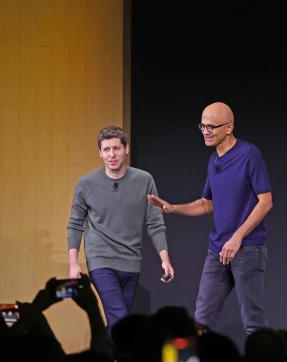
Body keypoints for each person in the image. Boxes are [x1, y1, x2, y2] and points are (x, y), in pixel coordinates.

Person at [147, 102, 273, 334]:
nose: (205, 131)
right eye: (202, 126)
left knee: (253, 322)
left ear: (229, 127)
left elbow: (265, 201)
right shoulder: (214, 160)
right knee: (202, 320)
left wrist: (237, 238)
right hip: (217, 250)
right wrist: (172, 207)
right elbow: (206, 204)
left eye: (211, 126)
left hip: (247, 249)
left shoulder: (249, 155)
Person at [67, 125, 175, 329]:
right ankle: (126, 360)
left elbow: (155, 222)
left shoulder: (144, 180)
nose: (111, 154)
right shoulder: (86, 184)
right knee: (120, 317)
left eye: (116, 148)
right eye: (106, 149)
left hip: (131, 261)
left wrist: (165, 260)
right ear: (100, 153)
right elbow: (75, 224)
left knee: (118, 324)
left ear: (126, 149)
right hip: (101, 261)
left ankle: (109, 358)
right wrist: (73, 263)